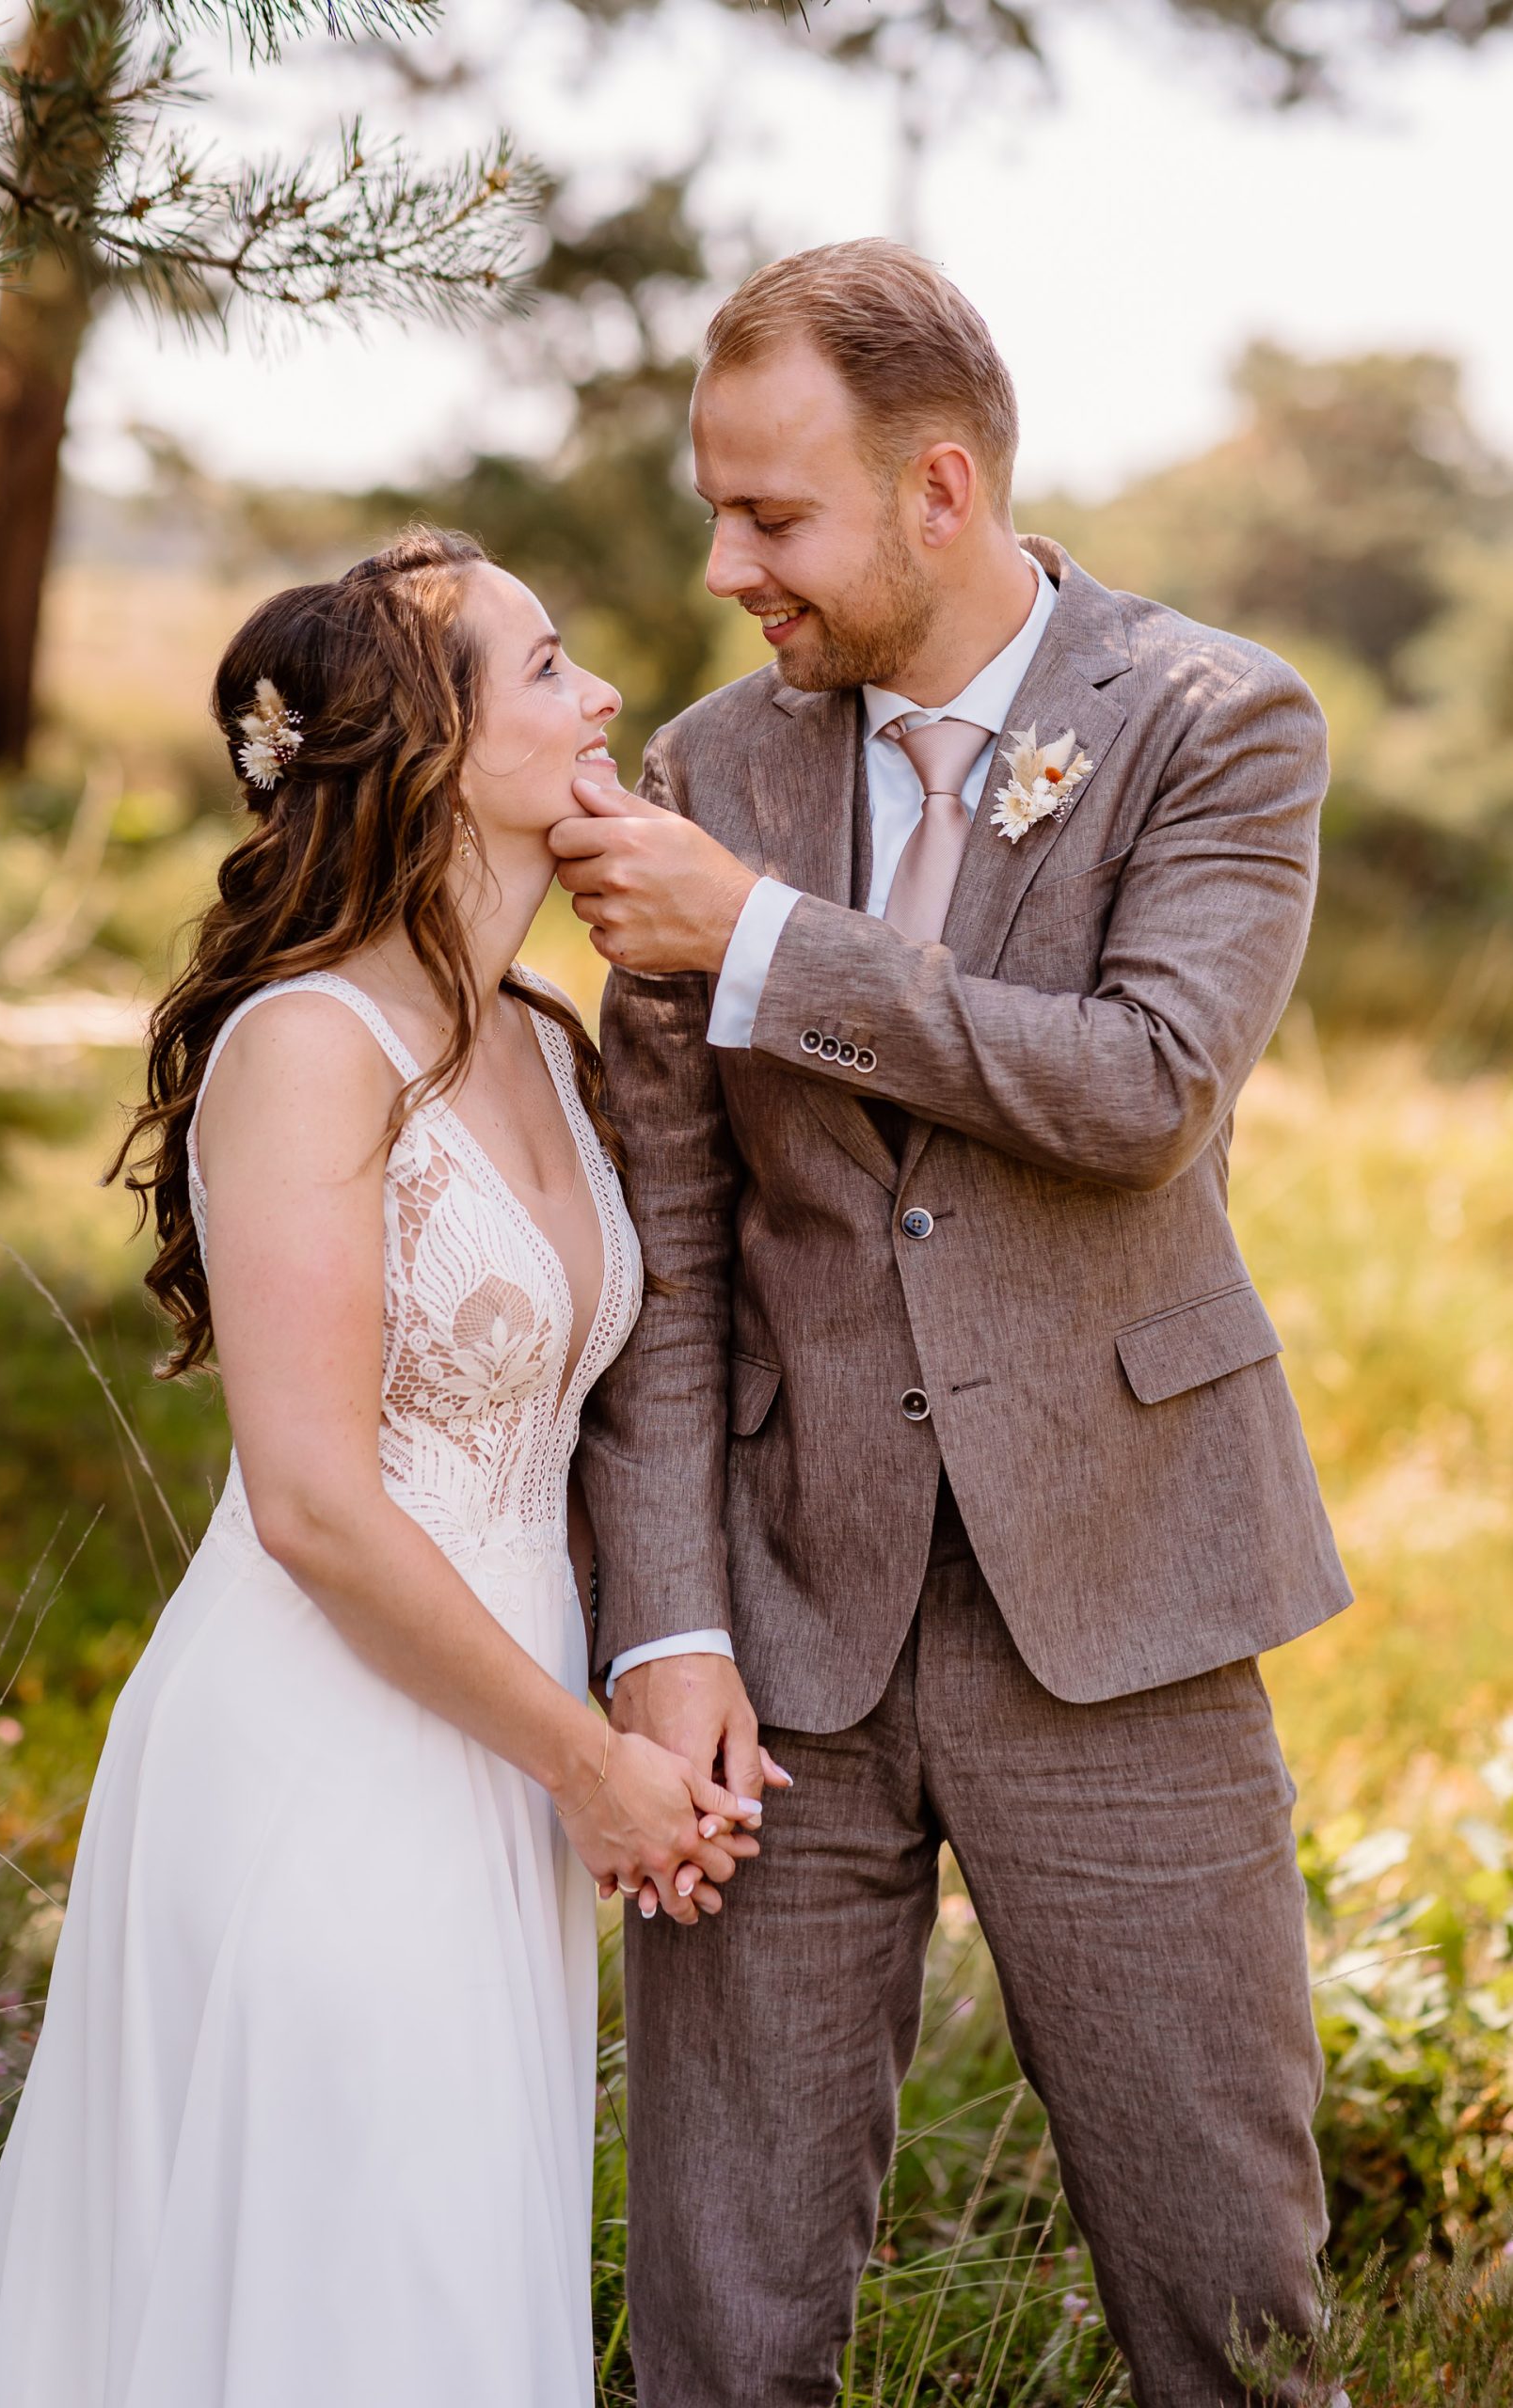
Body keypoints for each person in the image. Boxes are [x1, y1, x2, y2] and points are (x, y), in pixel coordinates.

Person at [556, 242, 1353, 2408]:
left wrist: (770, 942)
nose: (724, 564)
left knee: (1227, 2301)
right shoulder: (713, 765)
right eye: (713, 507)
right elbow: (668, 1257)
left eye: (770, 515)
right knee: (718, 2325)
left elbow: (1137, 1092)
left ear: (934, 484)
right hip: (773, 1644)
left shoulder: (1213, 717)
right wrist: (662, 1629)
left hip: (1120, 1599)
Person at [0, 528, 761, 2408]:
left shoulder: (543, 1044)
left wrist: (636, 1701)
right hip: (334, 1747)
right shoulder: (307, 1044)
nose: (604, 692)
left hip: (520, 1741)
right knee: (354, 2290)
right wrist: (590, 1766)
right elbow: (307, 1496)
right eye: (546, 666)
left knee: (451, 2269)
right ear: (433, 750)